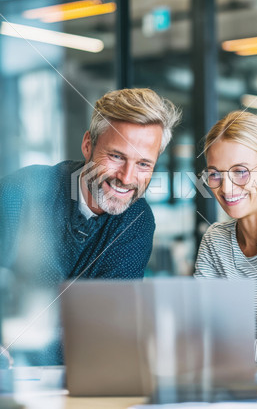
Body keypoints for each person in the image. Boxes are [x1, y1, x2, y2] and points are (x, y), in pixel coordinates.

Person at [0, 88, 180, 363]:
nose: (127, 177)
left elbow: (103, 327)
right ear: (88, 145)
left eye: (144, 164)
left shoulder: (137, 220)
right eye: (117, 156)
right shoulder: (23, 191)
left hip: (71, 377)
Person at [194, 111, 257, 364]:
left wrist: (243, 351)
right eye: (215, 174)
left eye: (240, 171)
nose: (226, 188)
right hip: (238, 390)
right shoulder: (215, 241)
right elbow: (201, 338)